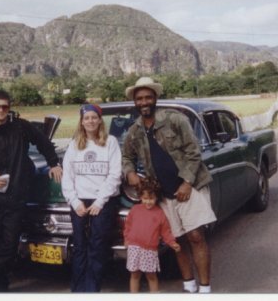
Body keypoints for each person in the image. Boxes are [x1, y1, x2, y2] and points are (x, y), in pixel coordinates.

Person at [121, 77, 216, 294]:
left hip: (189, 188)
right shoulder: (134, 131)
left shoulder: (175, 120)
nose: (144, 102)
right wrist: (130, 172)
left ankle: (205, 288)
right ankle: (189, 284)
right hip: (162, 194)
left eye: (148, 97)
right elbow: (126, 156)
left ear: (155, 98)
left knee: (196, 236)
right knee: (177, 240)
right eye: (139, 99)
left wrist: (187, 182)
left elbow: (194, 152)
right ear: (135, 102)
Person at [0, 90, 62, 292]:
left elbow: (43, 142)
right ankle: (0, 284)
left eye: (5, 106)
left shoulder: (21, 128)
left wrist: (54, 163)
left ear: (9, 107)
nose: (1, 110)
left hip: (15, 197)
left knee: (10, 246)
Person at [61, 104, 122, 292]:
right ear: (81, 121)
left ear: (100, 120)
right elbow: (67, 177)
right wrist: (74, 201)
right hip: (79, 201)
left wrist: (100, 202)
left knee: (97, 245)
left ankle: (92, 289)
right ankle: (77, 289)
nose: (90, 121)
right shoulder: (74, 144)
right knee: (79, 246)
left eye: (94, 117)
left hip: (103, 201)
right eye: (86, 118)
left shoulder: (110, 142)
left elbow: (115, 174)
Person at [124, 176, 181, 293]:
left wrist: (172, 242)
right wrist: (126, 239)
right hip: (134, 247)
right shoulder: (135, 210)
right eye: (145, 198)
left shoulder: (160, 213)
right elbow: (128, 226)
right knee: (135, 275)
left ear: (156, 197)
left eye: (151, 198)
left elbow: (165, 231)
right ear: (140, 197)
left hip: (150, 250)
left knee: (151, 276)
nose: (148, 201)